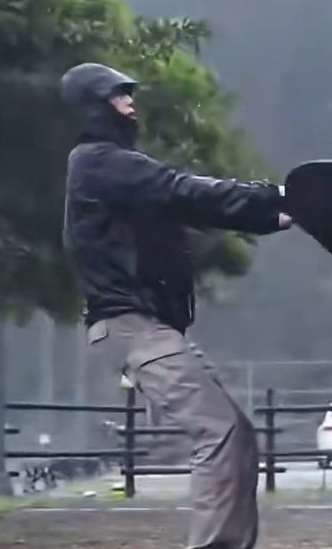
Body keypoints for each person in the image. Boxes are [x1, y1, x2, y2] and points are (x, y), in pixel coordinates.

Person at [61, 62, 290, 549]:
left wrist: (273, 215)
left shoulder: (118, 170)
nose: (131, 105)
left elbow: (190, 206)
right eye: (119, 97)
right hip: (129, 325)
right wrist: (275, 197)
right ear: (95, 106)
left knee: (236, 433)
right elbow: (185, 189)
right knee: (218, 430)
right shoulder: (99, 162)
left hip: (147, 326)